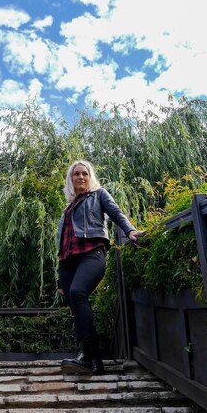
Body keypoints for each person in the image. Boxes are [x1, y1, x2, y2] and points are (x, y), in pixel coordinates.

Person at [57, 160, 141, 375]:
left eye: (85, 173)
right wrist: (59, 278)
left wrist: (130, 231)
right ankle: (95, 361)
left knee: (78, 293)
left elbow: (115, 212)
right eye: (76, 174)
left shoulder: (99, 194)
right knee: (76, 308)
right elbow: (63, 242)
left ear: (90, 176)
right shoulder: (67, 208)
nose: (81, 177)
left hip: (92, 253)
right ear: (71, 179)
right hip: (67, 262)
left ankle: (85, 355)